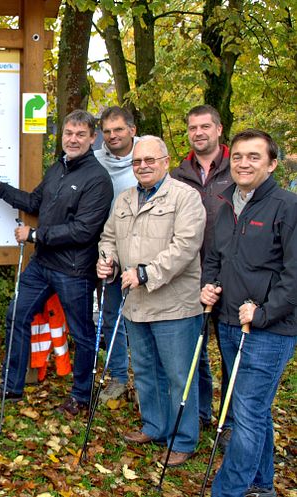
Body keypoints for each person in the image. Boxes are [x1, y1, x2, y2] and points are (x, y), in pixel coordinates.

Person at [0, 109, 113, 416]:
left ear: (93, 138)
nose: (73, 140)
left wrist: (35, 235)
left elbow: (83, 230)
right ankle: (11, 386)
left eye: (80, 135)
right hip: (43, 265)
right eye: (69, 134)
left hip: (74, 270)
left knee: (82, 334)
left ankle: (81, 396)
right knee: (17, 315)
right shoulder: (58, 168)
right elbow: (34, 202)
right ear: (62, 136)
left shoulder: (98, 179)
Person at [97, 135, 205, 467]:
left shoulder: (185, 197)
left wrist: (145, 273)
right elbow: (109, 236)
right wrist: (108, 260)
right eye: (137, 162)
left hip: (174, 303)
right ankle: (154, 426)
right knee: (144, 370)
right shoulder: (126, 198)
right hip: (135, 303)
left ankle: (183, 439)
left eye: (149, 160)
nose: (142, 166)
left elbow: (186, 246)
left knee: (177, 374)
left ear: (165, 161)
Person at [200, 129, 297, 497]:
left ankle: (229, 490)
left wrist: (263, 314)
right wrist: (207, 286)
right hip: (228, 322)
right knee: (254, 410)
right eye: (238, 156)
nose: (244, 163)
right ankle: (262, 485)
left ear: (272, 164)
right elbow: (215, 257)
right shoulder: (227, 204)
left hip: (269, 330)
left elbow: (294, 275)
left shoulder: (288, 207)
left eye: (254, 157)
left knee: (247, 413)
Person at [171, 104, 233, 431]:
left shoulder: (237, 168)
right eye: (193, 127)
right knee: (197, 350)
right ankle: (200, 413)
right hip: (192, 273)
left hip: (232, 274)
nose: (199, 133)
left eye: (205, 126)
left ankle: (229, 421)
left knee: (229, 351)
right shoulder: (180, 174)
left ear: (219, 129)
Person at [93, 105, 138, 403]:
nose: (112, 136)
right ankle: (119, 376)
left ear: (132, 130)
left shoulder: (147, 158)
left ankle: (147, 382)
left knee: (145, 320)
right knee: (111, 317)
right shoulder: (95, 161)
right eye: (107, 131)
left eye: (118, 129)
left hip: (143, 257)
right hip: (106, 255)